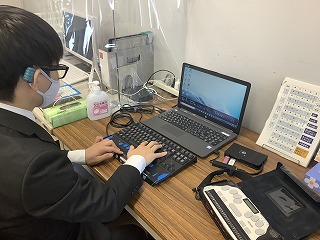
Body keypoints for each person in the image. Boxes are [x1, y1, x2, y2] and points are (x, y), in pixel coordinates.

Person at [0, 5, 167, 240]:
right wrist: (137, 160)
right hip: (64, 232)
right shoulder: (34, 166)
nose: (58, 76)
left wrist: (81, 155)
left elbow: (27, 161)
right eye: (57, 68)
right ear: (36, 79)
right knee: (138, 233)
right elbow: (107, 203)